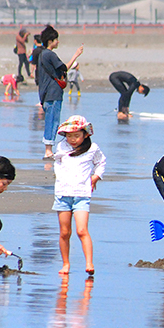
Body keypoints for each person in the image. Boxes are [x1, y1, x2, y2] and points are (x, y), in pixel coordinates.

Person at [53, 116, 106, 275]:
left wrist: (96, 177)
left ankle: (89, 263)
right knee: (64, 232)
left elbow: (101, 162)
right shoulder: (62, 147)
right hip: (63, 194)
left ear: (85, 134)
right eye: (69, 135)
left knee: (82, 230)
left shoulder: (93, 148)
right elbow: (58, 164)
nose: (73, 139)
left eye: (76, 135)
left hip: (82, 195)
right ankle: (66, 264)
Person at [38, 24, 84, 159]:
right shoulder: (50, 54)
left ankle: (50, 149)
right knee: (52, 121)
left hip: (46, 93)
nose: (58, 42)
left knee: (51, 120)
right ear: (50, 41)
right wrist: (76, 55)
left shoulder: (42, 54)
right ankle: (48, 150)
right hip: (53, 93)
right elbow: (64, 68)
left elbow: (62, 70)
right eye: (56, 39)